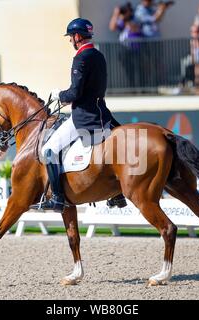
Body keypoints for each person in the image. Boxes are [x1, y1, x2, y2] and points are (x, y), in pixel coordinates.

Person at [37, 18, 126, 212]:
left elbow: (75, 93)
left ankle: (58, 198)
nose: (70, 40)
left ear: (77, 36)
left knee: (49, 150)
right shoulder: (98, 55)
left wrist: (59, 95)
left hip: (84, 116)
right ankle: (118, 194)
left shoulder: (81, 57)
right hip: (102, 112)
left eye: (71, 37)